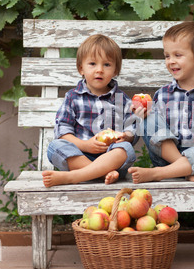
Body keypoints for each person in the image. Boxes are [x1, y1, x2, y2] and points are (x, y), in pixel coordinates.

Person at [128, 21, 194, 183]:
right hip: (165, 159)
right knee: (147, 119)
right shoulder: (162, 94)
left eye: (178, 55)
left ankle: (160, 173)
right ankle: (183, 168)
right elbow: (153, 131)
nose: (171, 61)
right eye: (167, 56)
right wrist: (139, 115)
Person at [42, 34, 137, 187]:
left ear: (115, 71)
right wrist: (85, 145)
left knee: (126, 149)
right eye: (92, 64)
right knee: (55, 146)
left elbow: (132, 129)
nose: (99, 70)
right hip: (79, 155)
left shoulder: (122, 99)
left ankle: (74, 177)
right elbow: (63, 131)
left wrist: (124, 136)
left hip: (110, 158)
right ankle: (101, 175)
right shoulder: (73, 97)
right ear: (81, 69)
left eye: (107, 65)